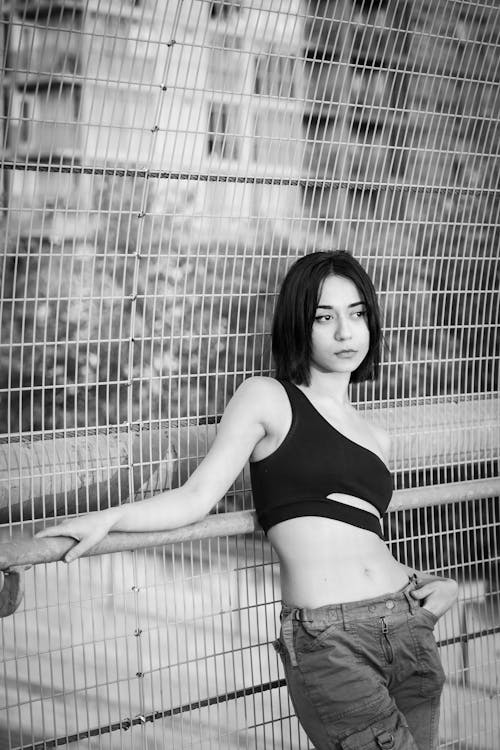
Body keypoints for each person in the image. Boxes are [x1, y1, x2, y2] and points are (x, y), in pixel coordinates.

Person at [36, 251, 458, 750]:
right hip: (332, 642)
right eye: (325, 316)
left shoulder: (377, 436)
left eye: (358, 313)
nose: (346, 332)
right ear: (299, 324)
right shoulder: (267, 397)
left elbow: (359, 538)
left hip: (409, 625)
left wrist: (437, 587)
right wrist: (108, 519)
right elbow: (195, 497)